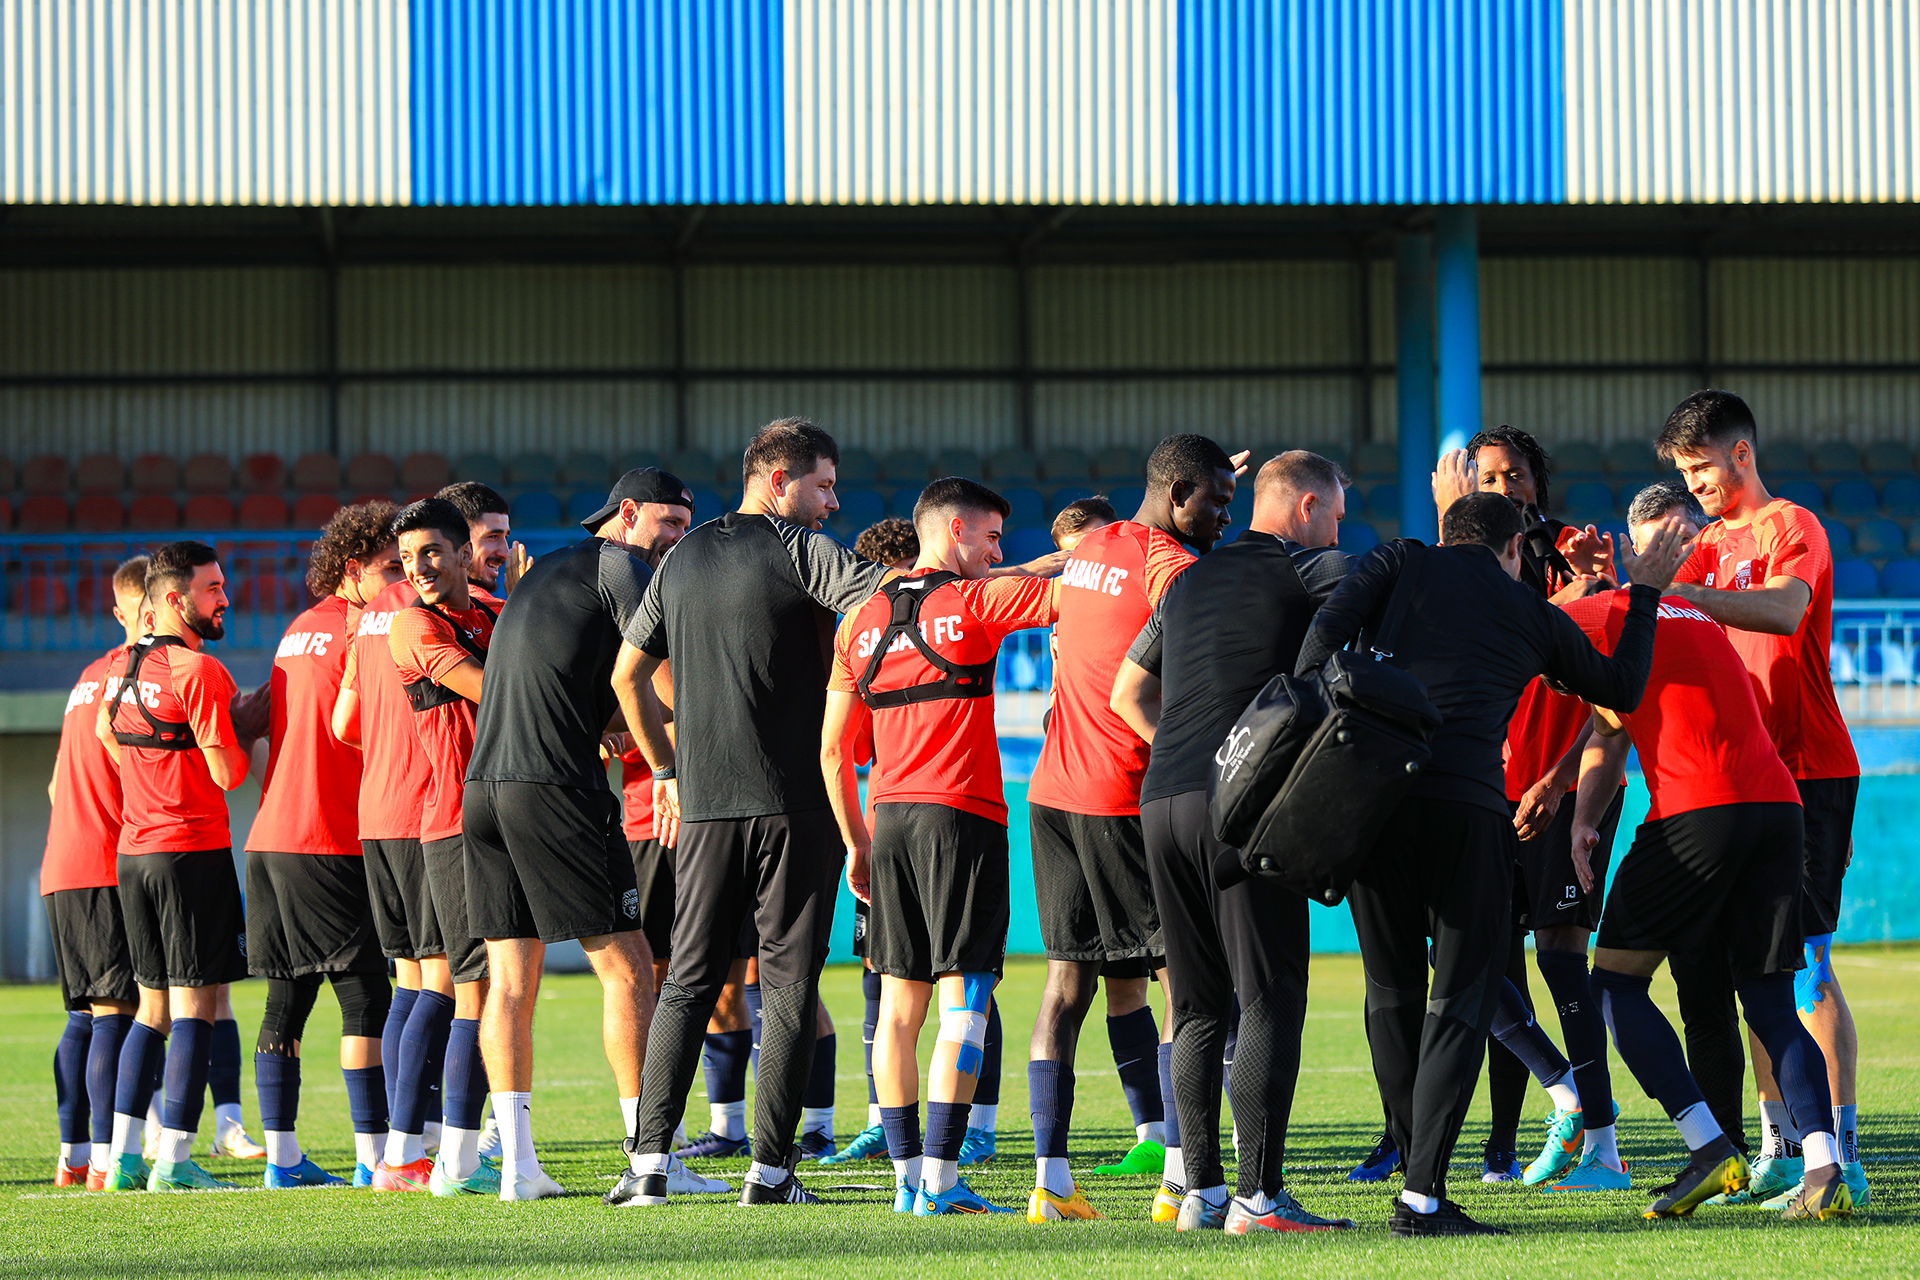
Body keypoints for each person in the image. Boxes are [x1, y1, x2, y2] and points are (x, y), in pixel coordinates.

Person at [1292, 492, 1694, 1236]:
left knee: (1391, 990)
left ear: (1447, 532)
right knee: (1460, 996)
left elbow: (1319, 644)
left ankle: (1415, 1176)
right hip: (1469, 811)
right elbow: (1621, 691)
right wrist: (1642, 594)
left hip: (1373, 801)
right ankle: (1422, 1195)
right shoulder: (1527, 609)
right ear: (1514, 551)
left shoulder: (1395, 559)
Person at [616, 419, 892, 1208]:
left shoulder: (681, 557)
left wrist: (666, 769)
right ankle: (770, 1174)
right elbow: (889, 600)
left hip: (703, 810)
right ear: (779, 482)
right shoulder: (801, 548)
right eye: (823, 485)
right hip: (795, 803)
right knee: (789, 985)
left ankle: (647, 1168)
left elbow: (627, 677)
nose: (832, 503)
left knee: (687, 983)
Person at [1560, 482, 1850, 1222]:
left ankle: (1709, 1145)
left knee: (1615, 985)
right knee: (1771, 1001)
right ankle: (1824, 1169)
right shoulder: (1706, 619)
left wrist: (1583, 584)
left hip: (1698, 812)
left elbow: (1523, 623)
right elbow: (1611, 727)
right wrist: (1581, 813)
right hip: (1778, 809)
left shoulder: (1615, 610)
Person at [1112, 451, 1355, 1234]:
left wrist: (1188, 762)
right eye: (1336, 517)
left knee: (1194, 1008)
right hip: (1240, 806)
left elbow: (1127, 692)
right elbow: (1380, 594)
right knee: (1269, 995)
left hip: (1162, 801)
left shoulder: (1184, 584)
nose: (1338, 533)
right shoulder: (1308, 568)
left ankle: (1202, 1195)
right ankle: (1259, 1197)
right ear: (1308, 507)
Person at [465, 467, 709, 1202]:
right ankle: (649, 1159)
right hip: (556, 790)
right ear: (626, 514)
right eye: (669, 523)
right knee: (630, 969)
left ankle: (517, 1169)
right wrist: (674, 762)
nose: (677, 540)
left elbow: (573, 692)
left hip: (484, 790)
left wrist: (611, 726)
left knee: (509, 983)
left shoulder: (544, 573)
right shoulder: (624, 568)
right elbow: (663, 682)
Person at [1656, 390, 1870, 1208]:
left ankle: (1843, 1157)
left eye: (1700, 468)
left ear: (1740, 453)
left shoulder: (1792, 526)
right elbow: (1653, 609)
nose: (1694, 485)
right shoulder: (1707, 543)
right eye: (1684, 473)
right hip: (1744, 779)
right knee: (1760, 969)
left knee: (1808, 968)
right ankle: (1783, 1148)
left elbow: (1784, 610)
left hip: (1810, 770)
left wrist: (1689, 597)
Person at [823, 477, 1059, 1216]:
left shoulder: (857, 623)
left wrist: (856, 843)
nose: (997, 552)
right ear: (956, 530)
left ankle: (905, 1181)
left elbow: (833, 751)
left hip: (887, 822)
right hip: (963, 818)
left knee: (898, 1005)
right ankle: (942, 1177)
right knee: (967, 999)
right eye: (991, 537)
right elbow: (1072, 593)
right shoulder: (977, 603)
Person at [1022, 434, 1243, 1223]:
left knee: (1064, 984)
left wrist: (1207, 488)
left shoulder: (1091, 547)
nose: (1225, 516)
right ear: (1179, 494)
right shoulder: (1170, 569)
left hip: (1053, 795)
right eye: (1217, 501)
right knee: (1186, 982)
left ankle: (1051, 1183)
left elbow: (1052, 584)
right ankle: (1180, 1176)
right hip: (1123, 795)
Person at [1422, 426, 1620, 1187]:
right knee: (1473, 956)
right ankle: (1522, 1131)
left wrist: (1562, 781)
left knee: (1562, 961)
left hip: (1568, 784)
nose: (1505, 487)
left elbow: (1611, 691)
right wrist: (1452, 531)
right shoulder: (1461, 562)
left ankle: (1601, 1146)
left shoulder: (1576, 554)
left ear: (1539, 481)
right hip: (1486, 786)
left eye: (1516, 474)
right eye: (1489, 477)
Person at [244, 504, 403, 1189]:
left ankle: (282, 1160)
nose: (402, 581)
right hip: (329, 837)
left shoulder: (297, 629)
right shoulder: (365, 630)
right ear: (352, 569)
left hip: (271, 839)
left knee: (286, 999)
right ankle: (374, 1157)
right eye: (390, 568)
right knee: (366, 996)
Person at [93, 542, 256, 1192]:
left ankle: (125, 1159)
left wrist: (152, 777)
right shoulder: (198, 670)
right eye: (212, 589)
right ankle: (176, 1162)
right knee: (196, 1008)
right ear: (172, 599)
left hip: (134, 852)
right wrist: (249, 727)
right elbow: (228, 774)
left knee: (150, 1009)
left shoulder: (118, 668)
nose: (224, 599)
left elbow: (107, 736)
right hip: (190, 850)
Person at [377, 498, 502, 1195]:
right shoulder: (412, 624)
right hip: (452, 824)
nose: (417, 568)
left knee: (467, 987)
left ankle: (416, 1152)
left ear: (462, 554)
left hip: (492, 817)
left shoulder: (489, 615)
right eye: (406, 558)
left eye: (429, 552)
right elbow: (495, 690)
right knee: (466, 991)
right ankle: (446, 1159)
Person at [333, 525, 446, 1183]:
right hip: (423, 812)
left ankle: (407, 1146)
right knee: (447, 983)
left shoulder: (371, 615)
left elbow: (344, 724)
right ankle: (409, 1149)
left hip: (375, 813)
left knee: (409, 981)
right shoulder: (431, 611)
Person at [40, 556, 148, 1188]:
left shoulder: (86, 677)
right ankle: (107, 1157)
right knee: (116, 1011)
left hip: (62, 863)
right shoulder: (132, 674)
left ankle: (75, 1155)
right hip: (105, 862)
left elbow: (58, 786)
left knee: (85, 1013)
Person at [438, 481, 528, 599]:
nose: (505, 554)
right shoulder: (485, 605)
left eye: (505, 537)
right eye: (492, 537)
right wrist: (520, 600)